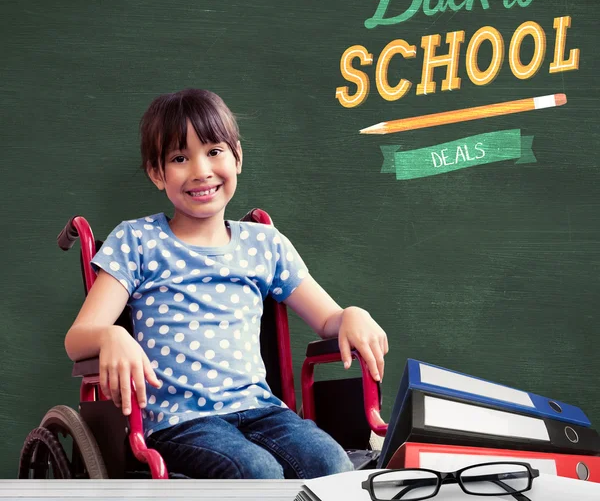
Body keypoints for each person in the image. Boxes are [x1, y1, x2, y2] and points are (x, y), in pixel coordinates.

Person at [64, 88, 389, 479]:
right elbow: (79, 336)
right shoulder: (138, 241)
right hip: (178, 420)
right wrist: (110, 337)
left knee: (331, 464)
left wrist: (353, 314)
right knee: (256, 471)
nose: (201, 170)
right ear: (156, 173)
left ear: (237, 157)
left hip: (261, 410)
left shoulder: (264, 243)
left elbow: (327, 319)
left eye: (214, 151)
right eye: (180, 158)